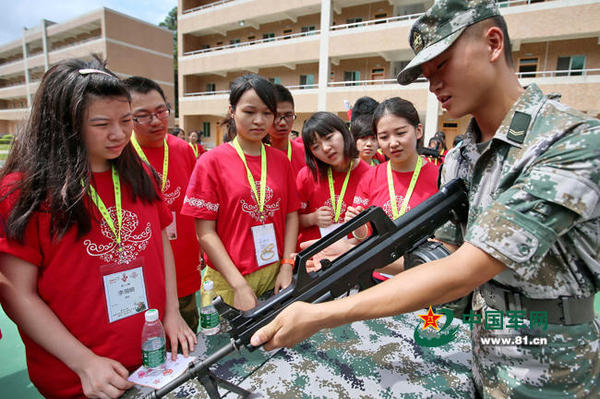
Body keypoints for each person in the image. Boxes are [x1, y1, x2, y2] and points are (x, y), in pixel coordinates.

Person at [250, 1, 600, 397]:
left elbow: (467, 269)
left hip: (553, 362)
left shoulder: (568, 141)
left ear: (493, 43)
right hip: (483, 349)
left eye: (442, 63)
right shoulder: (460, 158)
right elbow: (443, 258)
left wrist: (320, 314)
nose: (433, 84)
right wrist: (348, 258)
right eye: (425, 74)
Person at [0, 58, 196, 399]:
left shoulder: (140, 174)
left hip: (152, 357)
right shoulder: (25, 191)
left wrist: (172, 312)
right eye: (101, 123)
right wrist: (83, 362)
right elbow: (17, 292)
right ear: (64, 124)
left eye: (125, 120)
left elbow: (160, 241)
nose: (119, 134)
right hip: (81, 375)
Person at [181, 74, 299, 311]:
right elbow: (205, 232)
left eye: (267, 113)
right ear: (232, 111)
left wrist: (287, 265)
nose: (259, 121)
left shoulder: (279, 160)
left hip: (275, 275)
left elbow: (291, 215)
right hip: (229, 281)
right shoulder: (211, 161)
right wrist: (239, 286)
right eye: (249, 112)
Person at [123, 76, 202, 333]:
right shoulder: (123, 156)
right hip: (142, 276)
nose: (156, 121)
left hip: (184, 266)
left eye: (161, 111)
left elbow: (195, 205)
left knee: (189, 338)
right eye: (143, 115)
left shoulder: (183, 150)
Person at [347, 97, 439, 241]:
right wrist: (358, 228)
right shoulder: (370, 177)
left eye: (401, 133)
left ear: (418, 131)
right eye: (384, 137)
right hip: (381, 262)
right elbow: (362, 236)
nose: (393, 143)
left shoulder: (439, 177)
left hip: (423, 262)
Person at [296, 112, 371, 245]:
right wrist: (311, 218)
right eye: (316, 147)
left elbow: (374, 230)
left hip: (352, 257)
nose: (325, 148)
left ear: (343, 132)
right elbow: (290, 221)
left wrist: (360, 228)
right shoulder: (307, 176)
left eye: (329, 137)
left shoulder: (370, 175)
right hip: (312, 258)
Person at [266, 84, 306, 177]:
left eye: (288, 115)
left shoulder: (307, 154)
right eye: (276, 116)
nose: (283, 123)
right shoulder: (255, 154)